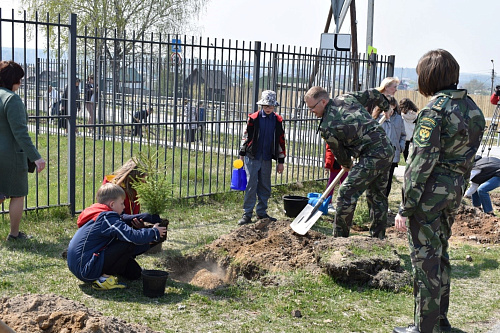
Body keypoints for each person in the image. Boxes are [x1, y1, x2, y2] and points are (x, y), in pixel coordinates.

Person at [393, 49, 485, 333]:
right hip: (453, 193)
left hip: (429, 197)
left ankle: (425, 327)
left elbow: (419, 164)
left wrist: (404, 208)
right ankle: (440, 322)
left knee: (425, 262)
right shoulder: (472, 108)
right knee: (440, 255)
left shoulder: (435, 110)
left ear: (428, 77)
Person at [304, 86, 394, 239]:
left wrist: (347, 164)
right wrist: (386, 107)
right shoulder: (346, 98)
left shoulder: (327, 126)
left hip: (373, 155)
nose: (311, 111)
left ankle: (340, 239)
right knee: (377, 195)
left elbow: (340, 154)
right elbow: (372, 93)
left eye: (312, 107)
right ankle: (378, 238)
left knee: (346, 193)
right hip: (386, 149)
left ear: (323, 102)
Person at [67, 183, 167, 290]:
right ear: (112, 204)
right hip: (86, 269)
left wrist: (148, 239)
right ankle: (103, 280)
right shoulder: (107, 217)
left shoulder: (98, 213)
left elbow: (123, 220)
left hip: (81, 265)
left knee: (135, 273)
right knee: (126, 241)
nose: (124, 207)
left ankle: (108, 273)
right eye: (122, 203)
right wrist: (153, 233)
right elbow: (130, 236)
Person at [0, 60, 46, 240]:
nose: (20, 83)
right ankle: (14, 234)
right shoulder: (12, 99)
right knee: (17, 194)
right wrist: (36, 157)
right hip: (11, 155)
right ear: (14, 79)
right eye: (19, 79)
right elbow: (20, 132)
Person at [238, 90, 286, 225]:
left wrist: (280, 161)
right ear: (261, 106)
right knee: (250, 186)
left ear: (274, 106)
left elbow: (280, 141)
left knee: (265, 186)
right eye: (266, 106)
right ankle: (247, 214)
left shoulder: (277, 120)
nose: (268, 109)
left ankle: (261, 212)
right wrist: (241, 155)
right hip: (252, 157)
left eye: (271, 106)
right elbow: (246, 137)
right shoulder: (253, 118)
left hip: (266, 158)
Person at [372, 96, 406, 198]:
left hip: (393, 154)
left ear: (394, 106)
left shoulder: (399, 119)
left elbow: (403, 135)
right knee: (378, 181)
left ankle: (384, 202)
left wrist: (401, 146)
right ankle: (376, 203)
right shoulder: (377, 118)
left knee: (388, 180)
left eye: (391, 106)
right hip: (379, 155)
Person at [324, 142, 348, 212]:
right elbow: (329, 152)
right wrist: (328, 166)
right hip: (336, 165)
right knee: (331, 184)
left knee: (345, 184)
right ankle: (328, 203)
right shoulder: (332, 139)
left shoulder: (346, 136)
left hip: (345, 165)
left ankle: (343, 203)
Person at [399, 98, 419, 162]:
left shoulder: (401, 116)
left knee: (406, 156)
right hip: (414, 137)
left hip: (405, 137)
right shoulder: (415, 115)